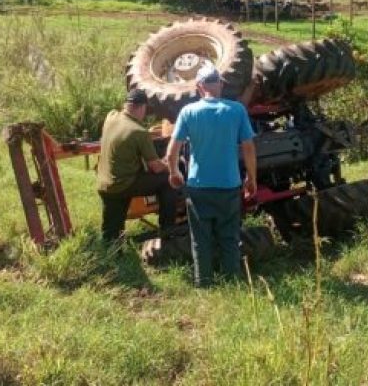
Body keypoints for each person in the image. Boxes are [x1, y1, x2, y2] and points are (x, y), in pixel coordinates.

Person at [166, 66, 257, 287]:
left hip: (198, 186)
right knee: (229, 236)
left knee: (200, 239)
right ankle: (232, 281)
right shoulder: (236, 110)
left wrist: (174, 173)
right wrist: (252, 178)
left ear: (199, 87)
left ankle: (203, 283)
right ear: (221, 86)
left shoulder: (188, 112)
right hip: (229, 185)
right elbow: (248, 148)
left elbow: (171, 152)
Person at [97, 89, 178, 244]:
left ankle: (109, 252)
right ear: (142, 107)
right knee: (168, 181)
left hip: (104, 184)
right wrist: (172, 166)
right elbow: (155, 167)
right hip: (123, 184)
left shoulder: (111, 116)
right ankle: (168, 229)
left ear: (127, 105)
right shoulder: (139, 132)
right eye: (145, 110)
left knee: (111, 232)